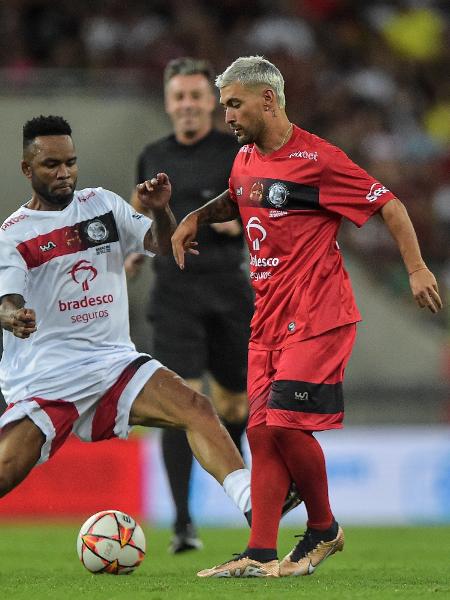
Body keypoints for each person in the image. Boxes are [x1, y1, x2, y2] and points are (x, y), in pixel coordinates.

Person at [171, 56, 443, 578]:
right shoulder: (246, 159)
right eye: (223, 104)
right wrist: (195, 218)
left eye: (233, 104)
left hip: (317, 312)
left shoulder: (319, 158)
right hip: (266, 319)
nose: (224, 115)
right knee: (260, 431)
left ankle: (324, 529)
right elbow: (240, 198)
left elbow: (389, 205)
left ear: (267, 100)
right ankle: (260, 551)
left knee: (287, 425)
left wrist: (416, 269)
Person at [0, 115, 256, 522]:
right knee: (6, 472)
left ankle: (253, 504)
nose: (65, 173)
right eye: (52, 165)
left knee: (196, 407)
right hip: (47, 375)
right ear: (27, 170)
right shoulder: (14, 234)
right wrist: (13, 318)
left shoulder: (101, 205)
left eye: (70, 162)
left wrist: (160, 210)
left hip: (113, 363)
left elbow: (160, 242)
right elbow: (6, 300)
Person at [127, 57, 254, 553]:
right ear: (168, 102)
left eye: (196, 96)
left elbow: (268, 210)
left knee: (233, 402)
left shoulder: (237, 152)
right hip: (174, 292)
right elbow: (139, 212)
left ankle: (237, 478)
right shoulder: (153, 155)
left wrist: (236, 222)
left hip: (228, 289)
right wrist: (133, 252)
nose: (187, 105)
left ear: (213, 103)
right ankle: (182, 523)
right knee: (181, 402)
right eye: (178, 96)